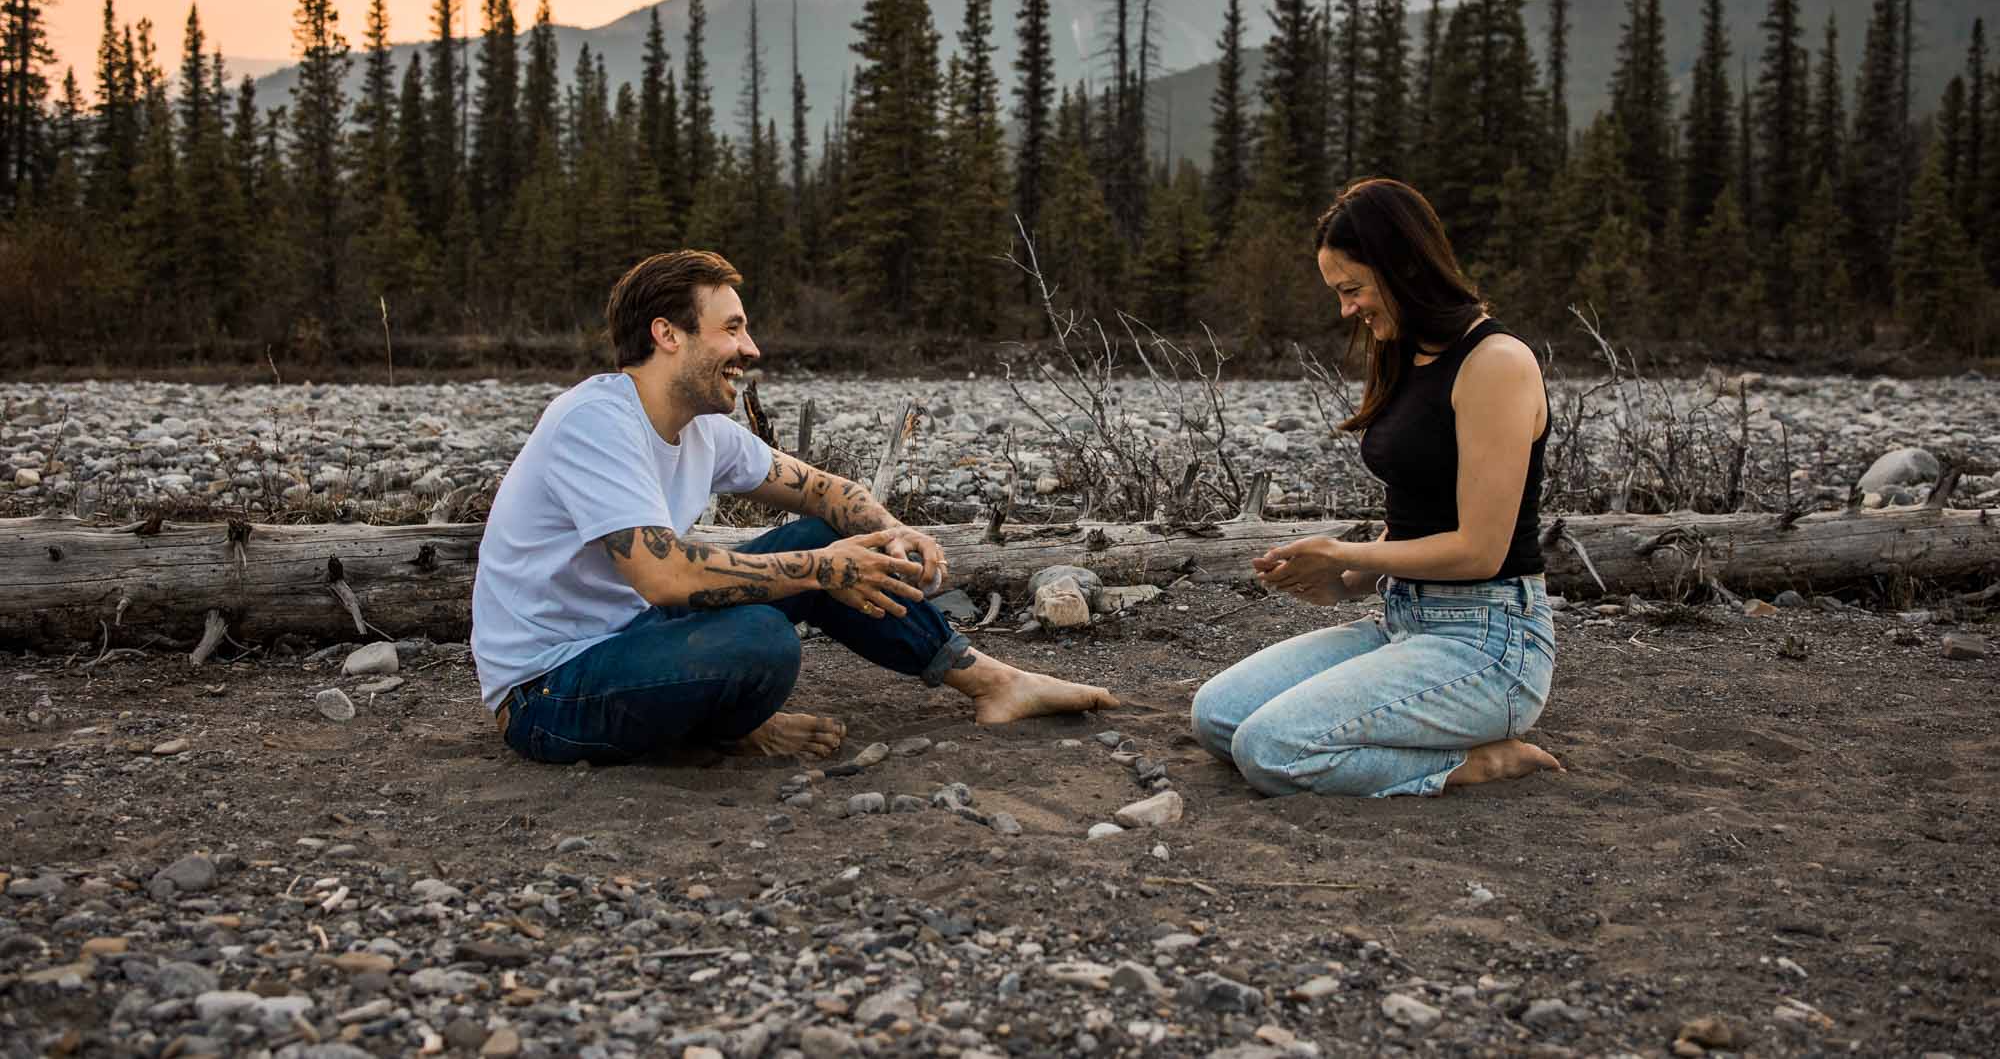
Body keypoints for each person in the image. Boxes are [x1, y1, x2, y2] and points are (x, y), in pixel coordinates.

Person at [473, 249, 1118, 765]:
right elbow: (664, 576)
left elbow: (822, 492)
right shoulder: (596, 422)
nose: (750, 349)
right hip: (548, 693)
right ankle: (727, 729)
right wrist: (826, 569)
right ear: (667, 334)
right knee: (762, 640)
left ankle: (991, 682)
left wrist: (892, 533)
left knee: (818, 536)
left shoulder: (701, 428)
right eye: (732, 328)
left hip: (633, 642)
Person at [1191, 178, 1562, 798]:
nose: (1346, 310)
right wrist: (1346, 582)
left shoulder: (1496, 363)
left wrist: (1344, 553)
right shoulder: (1407, 353)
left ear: (1403, 268)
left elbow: (1480, 549)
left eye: (1352, 290)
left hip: (1492, 647)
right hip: (1404, 623)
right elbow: (1422, 515)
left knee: (1269, 749)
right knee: (1216, 716)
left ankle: (1481, 761)